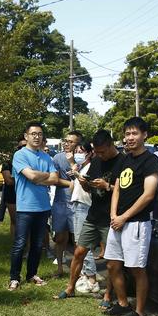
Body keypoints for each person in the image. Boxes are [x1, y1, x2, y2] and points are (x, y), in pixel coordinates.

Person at [104, 116, 158, 316]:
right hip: (117, 222)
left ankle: (139, 314)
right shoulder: (124, 159)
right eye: (127, 133)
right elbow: (117, 187)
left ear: (144, 135)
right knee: (112, 264)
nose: (130, 137)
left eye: (134, 133)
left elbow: (148, 195)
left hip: (136, 223)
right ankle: (122, 303)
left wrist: (124, 217)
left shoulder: (151, 160)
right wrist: (113, 215)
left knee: (137, 269)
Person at [56, 130, 122, 305]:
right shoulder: (97, 161)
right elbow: (89, 190)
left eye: (102, 152)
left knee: (111, 261)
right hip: (93, 215)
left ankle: (108, 295)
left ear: (111, 144)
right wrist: (86, 184)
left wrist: (107, 185)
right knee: (79, 251)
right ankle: (70, 288)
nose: (99, 155)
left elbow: (127, 190)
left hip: (111, 217)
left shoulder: (122, 162)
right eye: (97, 152)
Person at [9, 122, 71, 290]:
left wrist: (39, 176)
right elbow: (32, 177)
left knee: (37, 244)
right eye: (34, 133)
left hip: (43, 207)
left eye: (40, 134)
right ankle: (14, 277)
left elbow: (54, 179)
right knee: (20, 243)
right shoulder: (19, 155)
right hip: (25, 207)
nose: (37, 136)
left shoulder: (46, 157)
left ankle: (31, 274)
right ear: (26, 136)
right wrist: (43, 176)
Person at [51, 131, 82, 276]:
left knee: (78, 239)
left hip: (78, 203)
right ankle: (60, 267)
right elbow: (55, 179)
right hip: (60, 202)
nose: (67, 144)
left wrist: (73, 163)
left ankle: (79, 271)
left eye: (71, 142)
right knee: (60, 237)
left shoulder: (83, 159)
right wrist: (70, 183)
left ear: (78, 144)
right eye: (66, 140)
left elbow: (84, 178)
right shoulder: (57, 157)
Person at [69, 142, 99, 292]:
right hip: (77, 204)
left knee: (83, 243)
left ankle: (92, 278)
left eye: (81, 151)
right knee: (78, 242)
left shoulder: (90, 168)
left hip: (84, 205)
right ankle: (86, 275)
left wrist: (76, 173)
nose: (78, 154)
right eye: (76, 151)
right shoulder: (81, 167)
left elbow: (89, 188)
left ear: (89, 153)